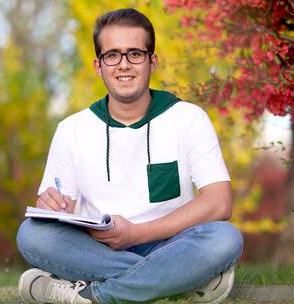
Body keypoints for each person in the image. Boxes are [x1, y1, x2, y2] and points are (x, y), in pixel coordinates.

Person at [16, 8, 243, 304]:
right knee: (32, 235)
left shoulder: (188, 118)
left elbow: (220, 202)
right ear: (99, 66)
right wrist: (52, 205)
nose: (124, 65)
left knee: (224, 239)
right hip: (98, 250)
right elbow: (61, 211)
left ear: (152, 61)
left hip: (172, 244)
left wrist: (137, 234)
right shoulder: (71, 129)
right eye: (112, 55)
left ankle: (92, 296)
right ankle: (182, 281)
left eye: (135, 53)